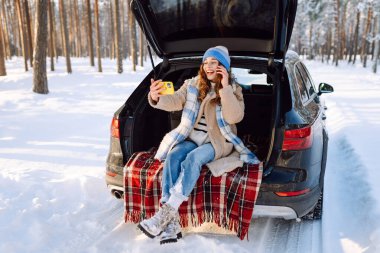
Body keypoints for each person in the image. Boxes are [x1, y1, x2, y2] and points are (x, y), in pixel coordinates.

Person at [138, 46, 261, 244]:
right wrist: (155, 97)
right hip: (192, 137)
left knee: (192, 159)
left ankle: (164, 214)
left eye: (214, 62)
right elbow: (175, 101)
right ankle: (171, 221)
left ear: (223, 66)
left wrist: (225, 87)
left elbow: (234, 116)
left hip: (218, 141)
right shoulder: (193, 84)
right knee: (173, 156)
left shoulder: (234, 90)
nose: (208, 66)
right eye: (206, 62)